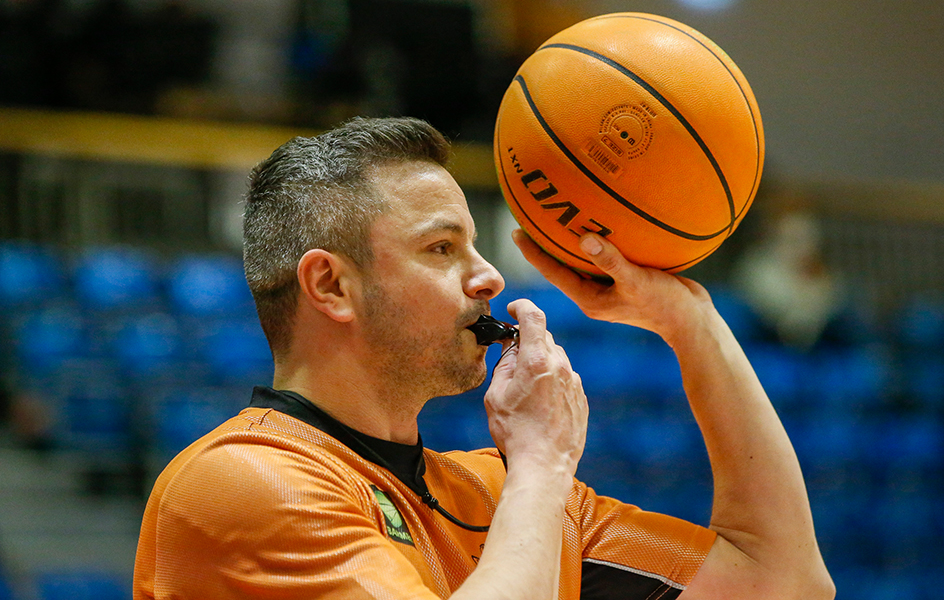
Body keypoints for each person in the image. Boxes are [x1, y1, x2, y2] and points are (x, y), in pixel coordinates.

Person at [133, 116, 834, 600]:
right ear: (331, 286)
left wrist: (690, 321)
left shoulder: (499, 492)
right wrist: (543, 464)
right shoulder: (243, 481)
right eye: (442, 248)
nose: (490, 276)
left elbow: (785, 584)